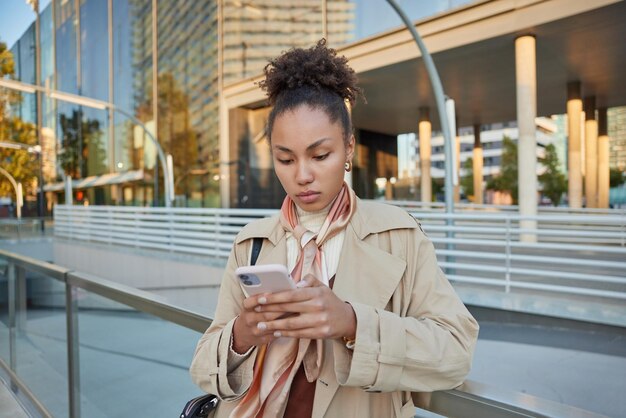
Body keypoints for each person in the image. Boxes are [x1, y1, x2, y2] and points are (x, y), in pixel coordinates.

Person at [190, 39, 479, 418]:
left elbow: (456, 352)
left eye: (320, 155)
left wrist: (353, 322)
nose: (302, 175)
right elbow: (202, 367)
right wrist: (243, 335)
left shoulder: (400, 237)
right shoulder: (252, 244)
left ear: (349, 150)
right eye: (285, 159)